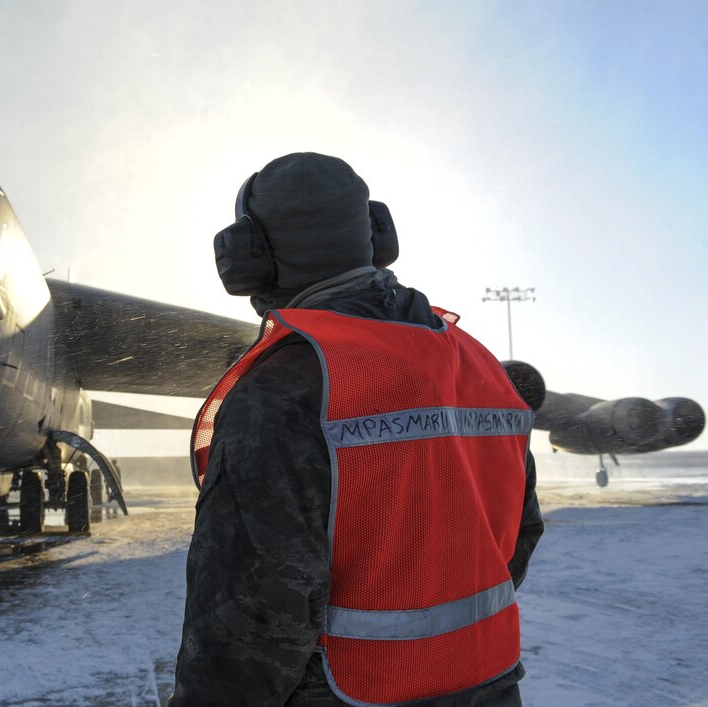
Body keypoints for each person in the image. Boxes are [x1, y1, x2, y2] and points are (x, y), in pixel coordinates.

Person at [172, 153, 543, 706]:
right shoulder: (479, 364)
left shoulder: (290, 386)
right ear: (375, 233)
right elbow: (517, 537)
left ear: (248, 256)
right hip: (488, 681)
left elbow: (251, 613)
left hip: (354, 691)